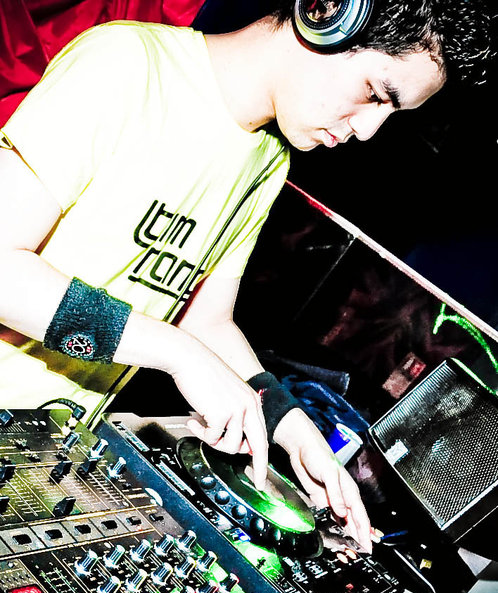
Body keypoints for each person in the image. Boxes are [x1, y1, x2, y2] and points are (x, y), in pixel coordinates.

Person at [0, 1, 491, 554]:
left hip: (41, 449)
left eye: (390, 113)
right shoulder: (127, 65)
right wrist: (180, 354)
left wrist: (292, 428)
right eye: (375, 92)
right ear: (327, 14)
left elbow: (205, 320)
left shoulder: (267, 159)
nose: (368, 128)